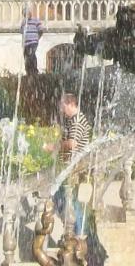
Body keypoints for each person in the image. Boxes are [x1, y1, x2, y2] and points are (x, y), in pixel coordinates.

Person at [47, 93, 92, 241]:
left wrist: (54, 147)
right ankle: (75, 230)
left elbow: (72, 144)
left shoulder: (77, 121)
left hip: (73, 167)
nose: (61, 110)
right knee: (63, 197)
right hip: (68, 166)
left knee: (68, 199)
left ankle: (79, 232)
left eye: (63, 106)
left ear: (71, 104)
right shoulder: (72, 120)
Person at [21, 7, 43, 76]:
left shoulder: (36, 20)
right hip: (26, 43)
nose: (26, 15)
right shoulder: (23, 22)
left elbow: (41, 31)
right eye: (25, 14)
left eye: (27, 13)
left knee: (31, 54)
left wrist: (37, 39)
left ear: (30, 13)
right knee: (26, 56)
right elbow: (22, 32)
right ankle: (28, 71)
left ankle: (34, 71)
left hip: (33, 42)